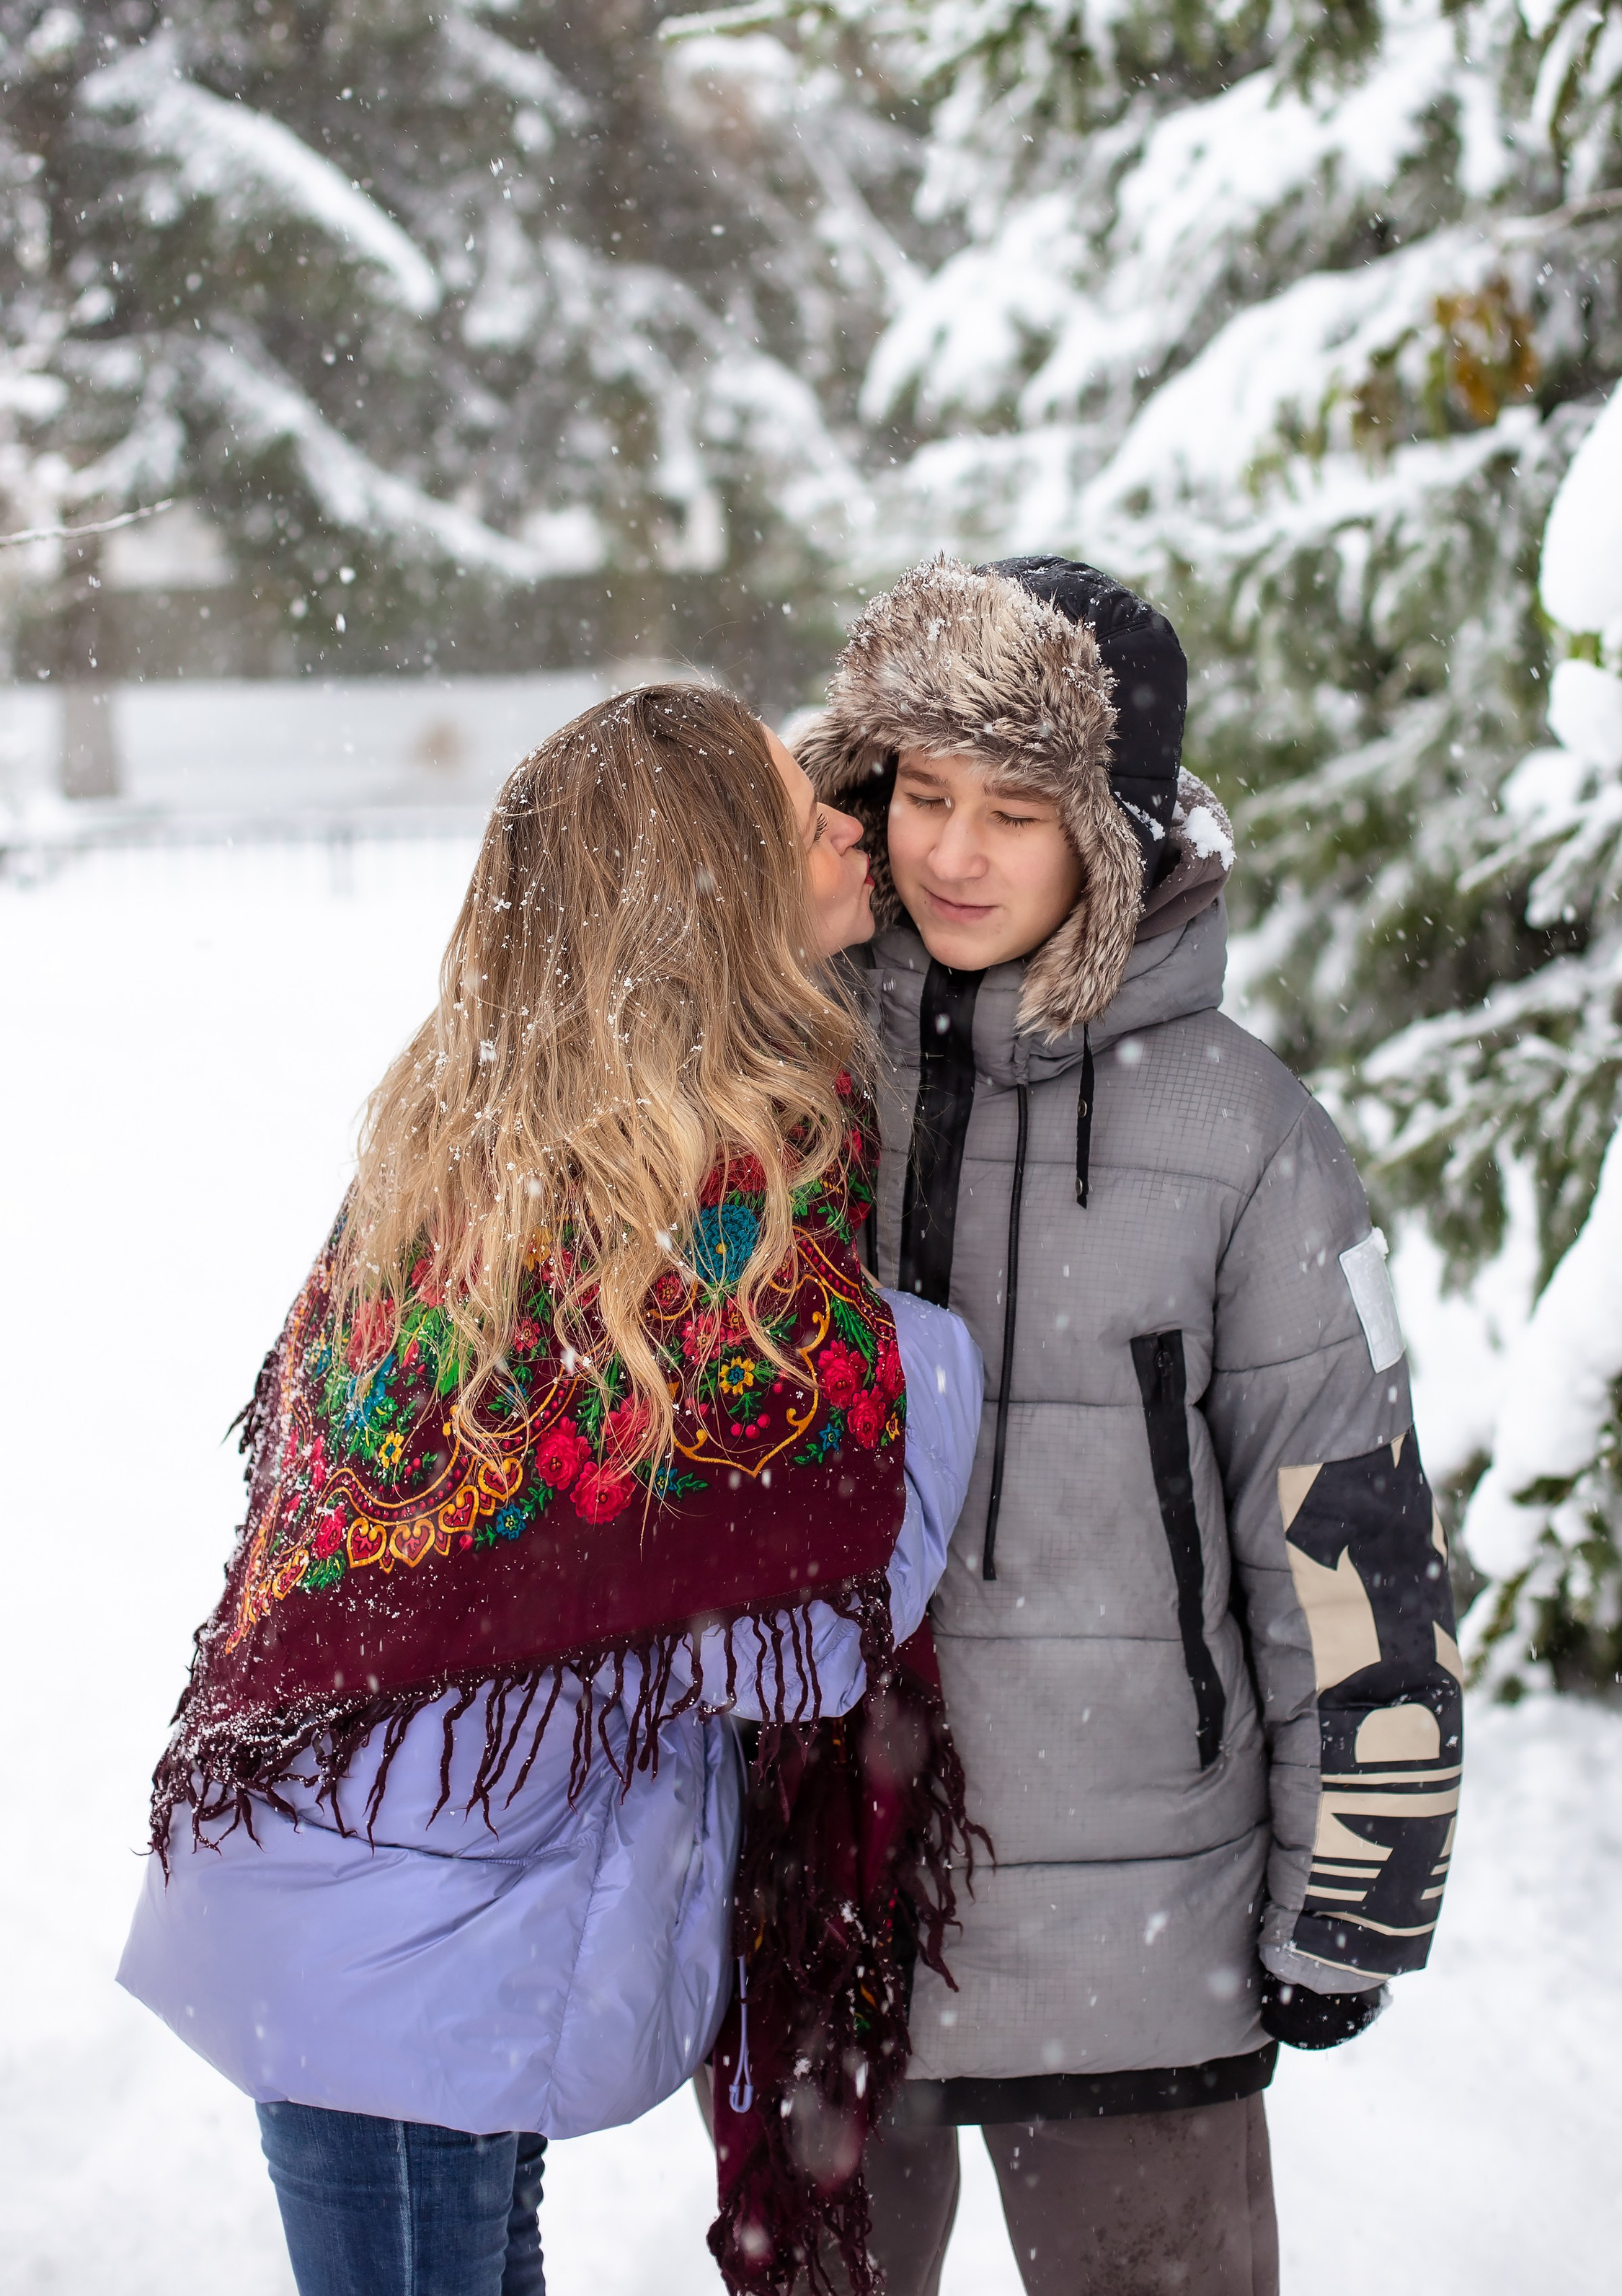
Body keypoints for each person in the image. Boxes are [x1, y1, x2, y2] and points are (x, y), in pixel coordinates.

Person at [119, 683, 984, 2296]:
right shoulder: (680, 1215)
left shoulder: (486, 1151)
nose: (857, 831)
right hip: (411, 1956)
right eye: (811, 819)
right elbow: (794, 1629)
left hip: (363, 1912)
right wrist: (928, 1357)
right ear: (718, 893)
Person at [798, 558, 1463, 2296]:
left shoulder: (1245, 1135)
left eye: (1013, 811)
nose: (950, 854)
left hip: (1130, 1937)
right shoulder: (776, 1082)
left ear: (1116, 829)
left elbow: (1343, 1531)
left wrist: (1362, 1876)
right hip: (820, 1921)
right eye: (922, 797)